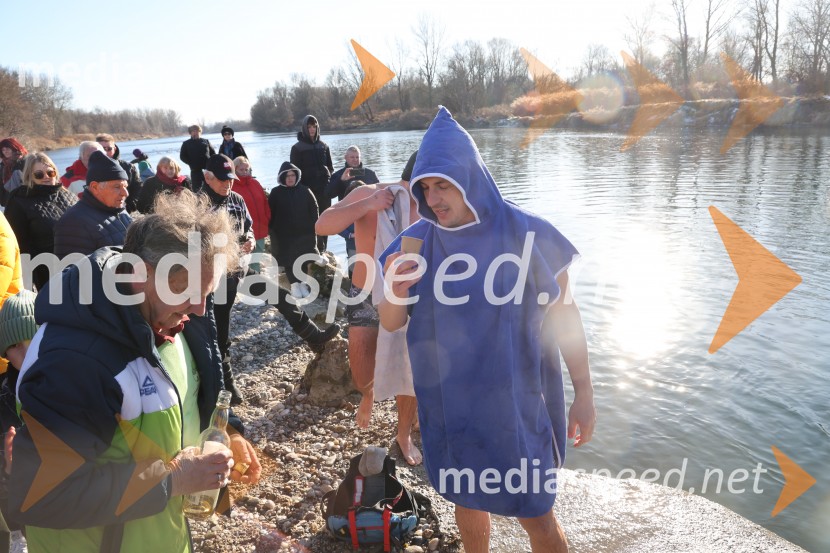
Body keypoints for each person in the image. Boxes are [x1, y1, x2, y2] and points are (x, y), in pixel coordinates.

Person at [377, 108, 596, 553]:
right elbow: (392, 322)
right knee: (467, 499)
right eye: (425, 187)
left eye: (444, 184)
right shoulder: (418, 242)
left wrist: (585, 393)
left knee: (538, 515)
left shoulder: (529, 234)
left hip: (520, 404)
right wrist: (396, 291)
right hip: (452, 406)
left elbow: (566, 318)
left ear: (471, 177)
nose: (433, 198)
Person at [8, 189, 261, 553]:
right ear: (141, 274)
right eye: (188, 290)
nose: (201, 308)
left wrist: (226, 430)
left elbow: (193, 390)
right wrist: (172, 480)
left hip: (162, 534)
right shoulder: (75, 360)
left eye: (208, 291)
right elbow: (41, 496)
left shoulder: (181, 317)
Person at [315, 167, 421, 466]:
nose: (423, 190)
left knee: (408, 368)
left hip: (406, 296)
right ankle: (367, 394)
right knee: (361, 360)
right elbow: (322, 226)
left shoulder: (429, 205)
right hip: (364, 292)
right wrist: (368, 204)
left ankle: (403, 432)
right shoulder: (369, 192)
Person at [4, 153, 77, 290]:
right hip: (45, 269)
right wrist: (26, 280)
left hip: (78, 265)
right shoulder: (20, 200)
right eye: (39, 174)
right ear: (29, 176)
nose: (46, 177)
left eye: (50, 172)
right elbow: (16, 243)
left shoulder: (68, 195)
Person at [53, 151, 133, 258]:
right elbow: (75, 272)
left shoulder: (120, 210)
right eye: (117, 187)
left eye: (125, 186)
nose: (125, 193)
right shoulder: (74, 223)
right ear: (95, 187)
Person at [268, 162, 323, 299]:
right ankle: (294, 285)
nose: (290, 178)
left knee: (303, 258)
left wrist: (313, 226)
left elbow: (314, 209)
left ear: (296, 176)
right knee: (289, 260)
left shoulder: (305, 190)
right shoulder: (275, 193)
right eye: (287, 176)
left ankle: (302, 283)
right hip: (284, 235)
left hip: (304, 233)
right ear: (282, 177)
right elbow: (270, 213)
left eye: (292, 175)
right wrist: (273, 229)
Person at [326, 145, 380, 270]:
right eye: (352, 157)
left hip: (369, 217)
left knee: (373, 255)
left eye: (357, 157)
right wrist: (341, 181)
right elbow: (328, 194)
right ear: (346, 158)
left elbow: (380, 193)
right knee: (353, 255)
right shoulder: (339, 175)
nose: (355, 160)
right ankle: (353, 280)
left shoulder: (369, 173)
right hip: (350, 220)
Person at [289, 115, 333, 251]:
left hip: (324, 191)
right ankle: (311, 248)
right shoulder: (297, 148)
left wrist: (327, 175)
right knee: (310, 222)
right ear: (304, 128)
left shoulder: (324, 146)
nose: (312, 129)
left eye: (314, 126)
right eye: (309, 127)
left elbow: (331, 167)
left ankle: (323, 249)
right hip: (307, 192)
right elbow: (294, 172)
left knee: (325, 220)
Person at [231, 157, 269, 274]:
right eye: (241, 169)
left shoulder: (255, 183)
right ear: (235, 170)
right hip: (244, 232)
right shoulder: (232, 186)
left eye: (246, 169)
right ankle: (239, 285)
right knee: (242, 261)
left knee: (256, 260)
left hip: (260, 230)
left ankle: (256, 285)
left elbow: (265, 203)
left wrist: (267, 219)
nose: (244, 172)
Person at [95, 134, 143, 214]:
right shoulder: (90, 168)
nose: (105, 152)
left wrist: (130, 206)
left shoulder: (128, 167)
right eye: (102, 149)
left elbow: (139, 188)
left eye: (109, 149)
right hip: (98, 213)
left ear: (114, 149)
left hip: (124, 211)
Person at [180, 124, 215, 193]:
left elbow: (213, 154)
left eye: (197, 131)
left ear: (200, 132)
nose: (195, 132)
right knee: (197, 190)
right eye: (193, 131)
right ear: (190, 133)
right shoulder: (186, 143)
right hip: (195, 171)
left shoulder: (206, 141)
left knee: (210, 188)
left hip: (207, 169)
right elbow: (182, 156)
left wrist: (211, 164)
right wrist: (191, 163)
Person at [0, 138, 28, 206]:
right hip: (9, 203)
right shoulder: (3, 165)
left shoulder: (25, 161)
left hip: (26, 201)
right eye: (3, 150)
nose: (5, 151)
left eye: (7, 148)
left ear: (15, 147)